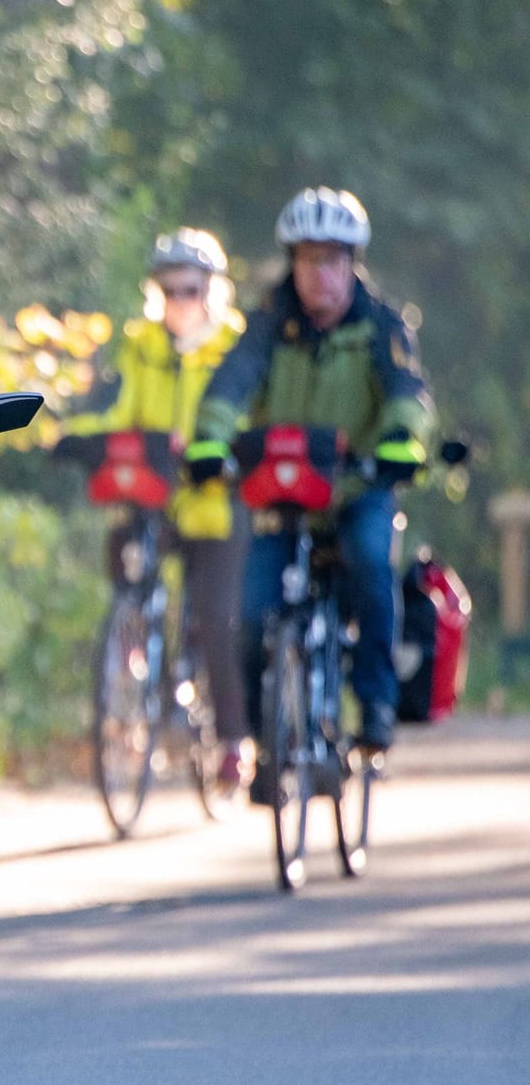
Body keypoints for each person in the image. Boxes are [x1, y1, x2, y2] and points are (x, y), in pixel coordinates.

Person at [186, 187, 435, 796]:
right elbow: (231, 384)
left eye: (331, 260)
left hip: (357, 489)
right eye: (307, 260)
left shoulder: (381, 325)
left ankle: (374, 711)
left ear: (352, 264)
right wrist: (209, 440)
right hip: (286, 491)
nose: (318, 274)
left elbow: (408, 392)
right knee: (248, 613)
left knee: (373, 568)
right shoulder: (269, 323)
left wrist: (402, 439)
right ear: (291, 264)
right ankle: (266, 738)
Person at [69, 229, 251, 789]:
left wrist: (214, 455)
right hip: (157, 497)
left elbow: (245, 417)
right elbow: (120, 411)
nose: (179, 301)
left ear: (212, 292)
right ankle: (136, 657)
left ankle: (233, 740)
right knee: (124, 557)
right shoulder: (141, 344)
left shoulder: (236, 347)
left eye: (191, 289)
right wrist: (77, 437)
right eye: (169, 290)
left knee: (217, 616)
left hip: (216, 507)